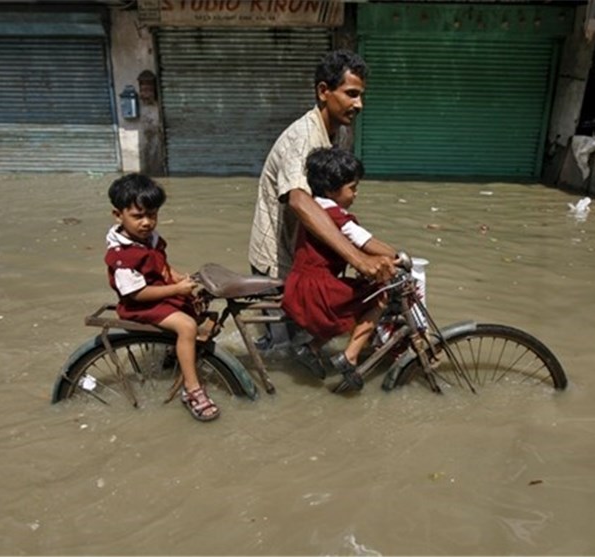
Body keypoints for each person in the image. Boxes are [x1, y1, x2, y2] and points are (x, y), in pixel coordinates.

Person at [247, 49, 396, 351]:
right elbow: (300, 202)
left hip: (307, 258)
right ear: (323, 92)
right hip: (280, 262)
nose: (359, 104)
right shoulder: (303, 138)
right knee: (284, 354)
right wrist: (359, 260)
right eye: (351, 94)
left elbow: (332, 206)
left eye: (361, 95)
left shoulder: (335, 133)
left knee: (308, 339)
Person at [282, 147, 399, 391]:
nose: (356, 194)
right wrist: (399, 256)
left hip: (302, 284)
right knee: (379, 296)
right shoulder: (336, 217)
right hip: (319, 289)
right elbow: (366, 242)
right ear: (332, 190)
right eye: (352, 188)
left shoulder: (318, 210)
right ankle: (350, 357)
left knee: (352, 301)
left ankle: (312, 347)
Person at [105, 173, 219, 422]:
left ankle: (175, 353)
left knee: (199, 305)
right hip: (139, 305)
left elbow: (162, 267)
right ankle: (192, 390)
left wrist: (179, 278)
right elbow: (136, 292)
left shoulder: (148, 239)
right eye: (138, 216)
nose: (147, 222)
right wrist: (176, 290)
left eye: (152, 215)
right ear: (118, 215)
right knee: (187, 326)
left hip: (157, 297)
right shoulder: (123, 255)